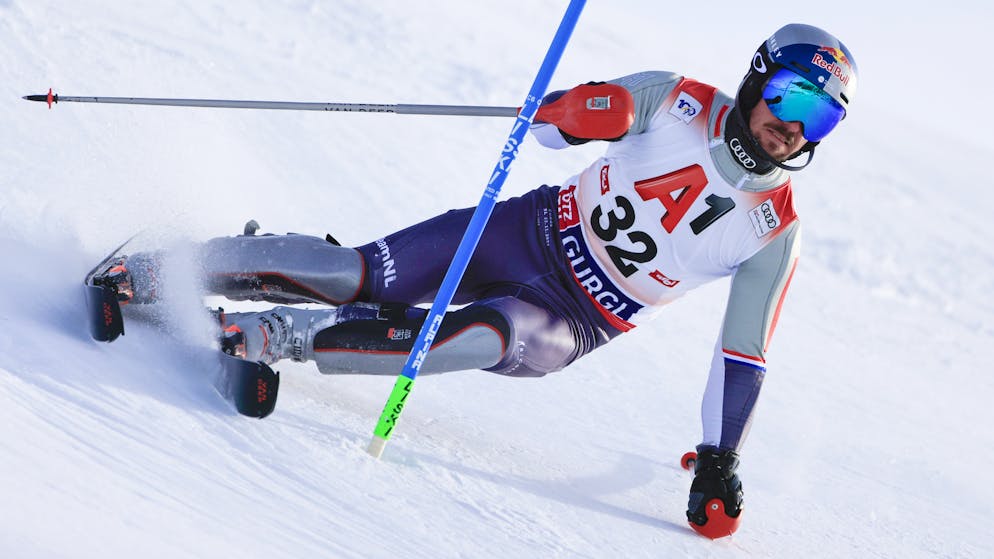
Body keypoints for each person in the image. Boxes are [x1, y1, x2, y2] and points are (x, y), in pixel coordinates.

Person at [97, 23, 857, 538]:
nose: (794, 128)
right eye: (791, 99)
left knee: (472, 336)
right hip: (522, 229)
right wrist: (589, 110)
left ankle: (272, 335)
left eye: (819, 120)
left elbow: (743, 353)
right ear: (758, 82)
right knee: (355, 272)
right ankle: (162, 267)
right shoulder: (679, 99)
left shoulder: (773, 229)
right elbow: (552, 127)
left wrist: (718, 458)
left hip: (572, 316)